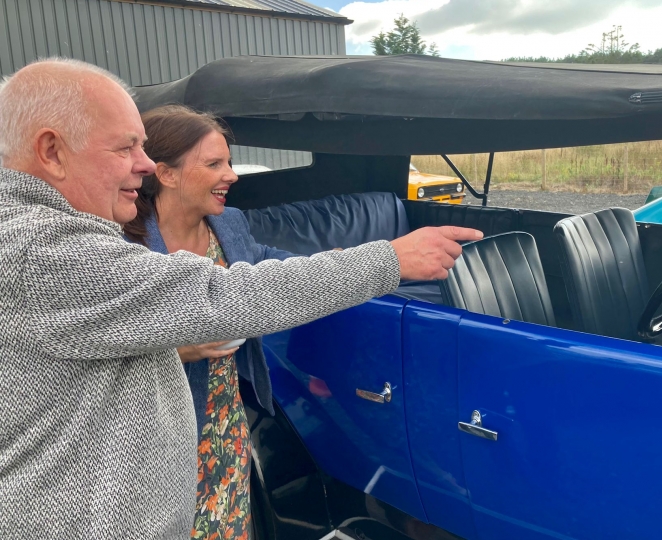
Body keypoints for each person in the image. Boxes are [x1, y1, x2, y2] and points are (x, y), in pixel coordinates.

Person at [0, 58, 482, 540]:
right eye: (126, 147)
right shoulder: (38, 250)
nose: (144, 165)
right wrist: (388, 260)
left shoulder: (54, 238)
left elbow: (259, 267)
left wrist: (347, 257)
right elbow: (222, 295)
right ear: (51, 151)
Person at [124, 104, 300, 538]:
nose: (232, 175)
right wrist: (176, 349)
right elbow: (96, 350)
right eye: (215, 164)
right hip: (156, 441)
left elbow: (261, 263)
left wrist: (334, 264)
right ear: (164, 173)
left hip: (226, 421)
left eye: (230, 162)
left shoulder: (231, 223)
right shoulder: (120, 243)